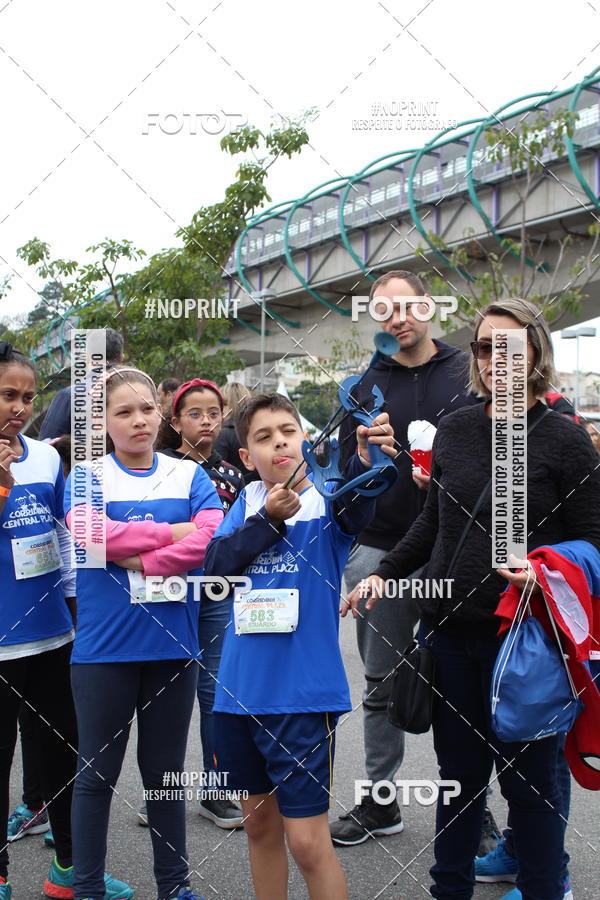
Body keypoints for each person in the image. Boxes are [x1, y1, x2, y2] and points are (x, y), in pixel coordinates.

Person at [346, 298, 600, 900]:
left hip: (525, 644)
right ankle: (449, 890)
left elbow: (593, 540)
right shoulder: (458, 428)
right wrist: (386, 572)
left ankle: (543, 889)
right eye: (485, 347)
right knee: (457, 784)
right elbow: (433, 523)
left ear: (536, 353)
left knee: (531, 790)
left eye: (508, 347)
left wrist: (544, 575)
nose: (493, 358)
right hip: (450, 637)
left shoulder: (566, 440)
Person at [204, 392, 397, 900]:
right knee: (259, 826)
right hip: (238, 697)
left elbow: (359, 502)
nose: (279, 443)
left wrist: (364, 456)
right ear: (246, 456)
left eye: (288, 431)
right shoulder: (247, 501)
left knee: (309, 844)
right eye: (264, 437)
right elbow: (215, 567)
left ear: (305, 439)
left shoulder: (330, 499)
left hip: (303, 701)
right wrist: (268, 520)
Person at [330, 269, 480, 847]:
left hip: (456, 548)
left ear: (428, 306)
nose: (398, 319)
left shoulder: (468, 373)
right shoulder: (363, 385)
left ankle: (474, 808)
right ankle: (380, 799)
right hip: (381, 547)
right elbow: (343, 482)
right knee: (381, 680)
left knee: (464, 678)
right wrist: (365, 458)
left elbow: (500, 456)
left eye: (408, 306)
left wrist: (446, 477)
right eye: (384, 310)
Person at [65, 366, 223, 900]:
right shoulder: (86, 476)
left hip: (172, 651)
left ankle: (174, 887)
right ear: (102, 422)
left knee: (166, 777)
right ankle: (87, 889)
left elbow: (211, 539)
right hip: (104, 653)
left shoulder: (190, 475)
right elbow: (93, 536)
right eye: (123, 412)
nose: (138, 420)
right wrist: (171, 532)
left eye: (147, 409)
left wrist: (140, 558)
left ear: (161, 413)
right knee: (96, 776)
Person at [0, 342, 131, 900]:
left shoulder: (46, 457)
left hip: (54, 634)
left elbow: (63, 534)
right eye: (8, 395)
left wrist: (80, 606)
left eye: (28, 397)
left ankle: (70, 871)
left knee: (65, 754)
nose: (20, 407)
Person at [156, 378, 244, 829]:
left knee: (214, 691)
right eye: (194, 414)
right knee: (164, 693)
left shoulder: (233, 473)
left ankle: (216, 789)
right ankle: (160, 794)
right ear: (175, 421)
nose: (206, 421)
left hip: (217, 592)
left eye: (213, 413)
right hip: (167, 590)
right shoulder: (158, 467)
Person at [39, 328, 124, 440]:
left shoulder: (69, 395)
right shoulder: (140, 388)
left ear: (88, 357)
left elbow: (47, 444)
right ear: (121, 358)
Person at [213, 382, 260, 482]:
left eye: (221, 404)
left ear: (227, 405)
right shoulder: (259, 431)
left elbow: (218, 475)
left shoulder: (222, 435)